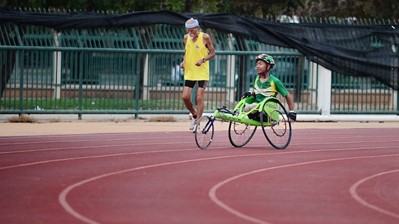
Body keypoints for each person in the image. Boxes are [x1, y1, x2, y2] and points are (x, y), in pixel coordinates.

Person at [180, 18, 216, 131]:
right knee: (185, 97)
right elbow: (187, 51)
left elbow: (213, 53)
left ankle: (198, 122)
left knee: (199, 97)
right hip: (190, 72)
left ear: (197, 28)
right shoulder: (186, 38)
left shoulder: (205, 37)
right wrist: (184, 61)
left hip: (202, 72)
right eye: (188, 30)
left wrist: (203, 60)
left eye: (192, 30)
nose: (190, 32)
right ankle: (194, 115)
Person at [241, 53, 297, 121]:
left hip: (268, 109)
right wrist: (250, 92)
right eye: (257, 64)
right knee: (243, 105)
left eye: (260, 64)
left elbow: (287, 95)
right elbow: (258, 91)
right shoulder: (257, 79)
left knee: (251, 106)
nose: (257, 66)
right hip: (257, 107)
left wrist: (292, 111)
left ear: (268, 66)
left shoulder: (275, 81)